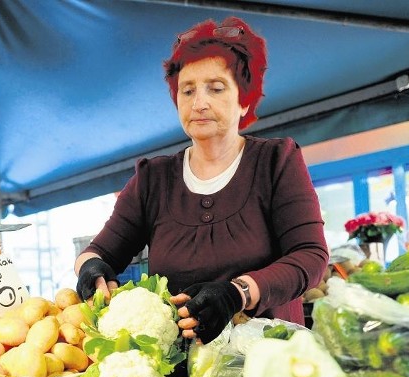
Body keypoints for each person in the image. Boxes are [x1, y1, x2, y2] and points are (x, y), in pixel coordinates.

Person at [74, 16, 329, 344]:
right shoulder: (153, 179)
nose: (199, 103)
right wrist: (90, 268)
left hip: (270, 362)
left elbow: (310, 255)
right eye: (187, 90)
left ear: (244, 99)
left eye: (216, 88)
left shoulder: (276, 162)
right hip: (181, 374)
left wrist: (237, 294)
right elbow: (100, 253)